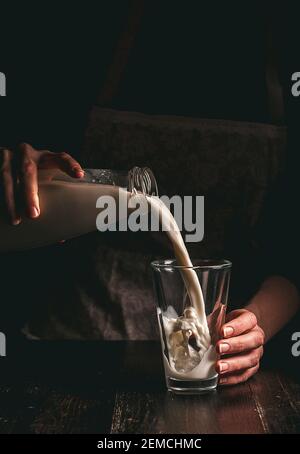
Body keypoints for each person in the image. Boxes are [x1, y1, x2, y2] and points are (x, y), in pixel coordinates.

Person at [1, 2, 299, 386]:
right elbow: (37, 173)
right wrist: (18, 170)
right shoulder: (84, 26)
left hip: (214, 365)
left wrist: (252, 328)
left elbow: (292, 249)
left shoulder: (283, 34)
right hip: (70, 357)